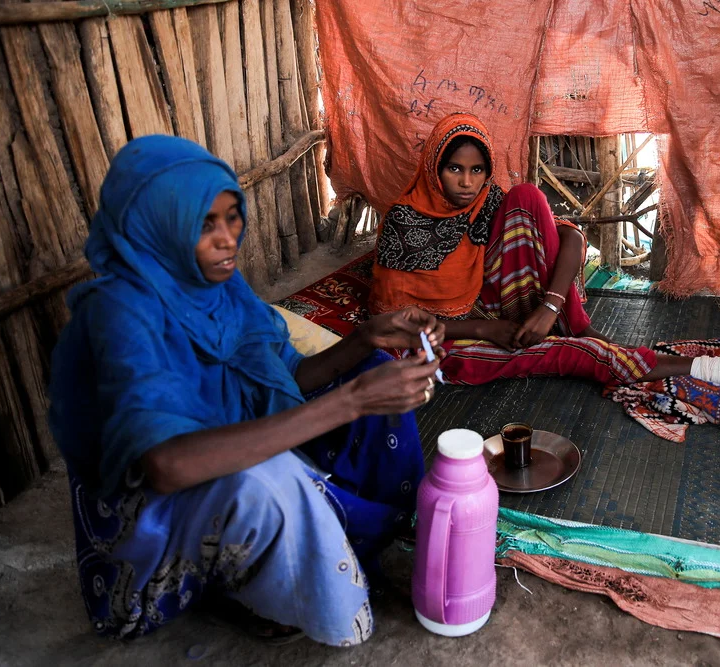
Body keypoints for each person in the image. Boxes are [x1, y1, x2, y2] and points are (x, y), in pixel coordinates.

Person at [48, 135, 444, 647]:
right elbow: (168, 467)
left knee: (368, 365)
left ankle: (356, 526)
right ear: (154, 227)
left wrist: (367, 336)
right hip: (154, 535)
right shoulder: (120, 318)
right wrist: (353, 400)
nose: (227, 239)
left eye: (231, 218)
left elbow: (284, 378)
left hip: (228, 455)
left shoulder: (216, 289)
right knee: (269, 478)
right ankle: (266, 587)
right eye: (203, 225)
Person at [369, 112, 720, 389]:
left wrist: (548, 306)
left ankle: (562, 326)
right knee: (572, 356)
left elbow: (574, 239)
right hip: (444, 344)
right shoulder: (405, 225)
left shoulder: (489, 204)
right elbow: (389, 326)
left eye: (477, 170)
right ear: (434, 168)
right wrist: (490, 331)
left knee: (528, 196)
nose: (467, 181)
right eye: (454, 169)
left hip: (499, 311)